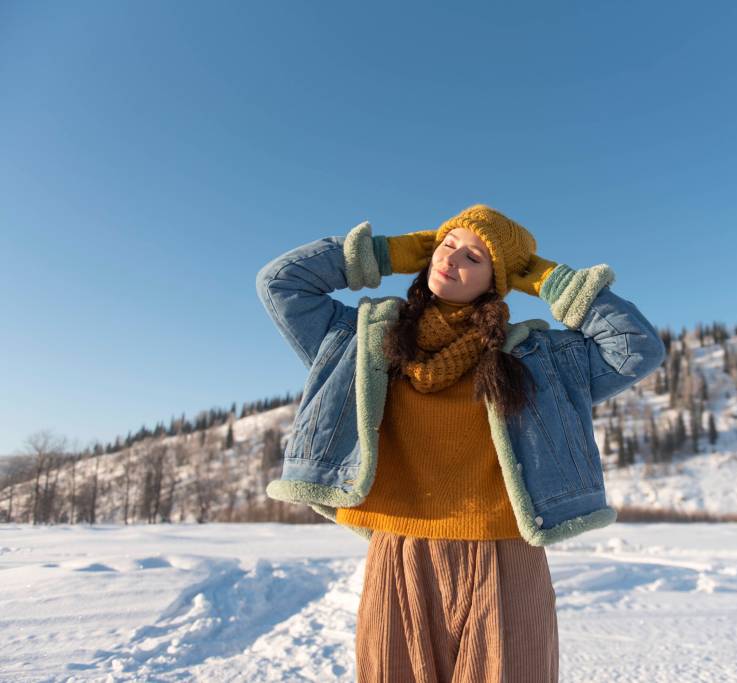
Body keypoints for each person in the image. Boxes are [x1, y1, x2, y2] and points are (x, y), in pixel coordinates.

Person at [255, 204, 665, 681]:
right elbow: (280, 283)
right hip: (400, 552)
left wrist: (548, 278)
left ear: (498, 279)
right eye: (446, 245)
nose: (451, 259)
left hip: (505, 557)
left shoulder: (537, 358)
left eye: (474, 256)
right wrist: (386, 253)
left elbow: (636, 347)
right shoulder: (361, 340)